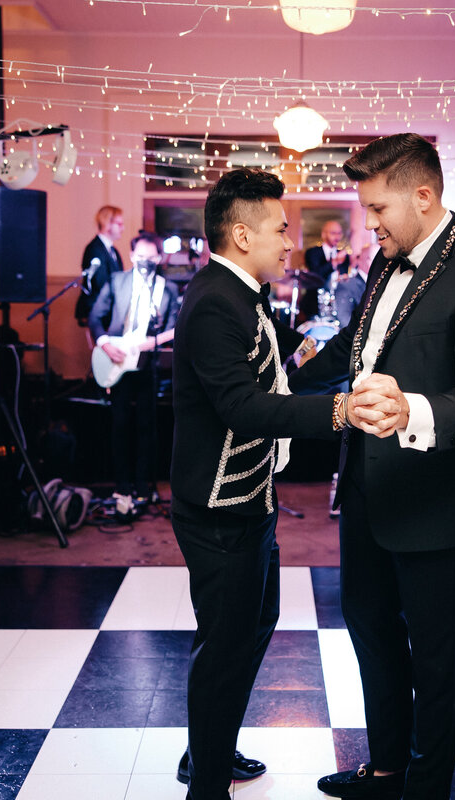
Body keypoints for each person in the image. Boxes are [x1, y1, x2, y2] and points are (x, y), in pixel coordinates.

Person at [289, 134, 455, 800]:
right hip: (368, 487)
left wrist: (412, 410)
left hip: (439, 500)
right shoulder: (383, 265)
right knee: (369, 630)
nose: (370, 225)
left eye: (378, 209)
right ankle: (387, 768)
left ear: (423, 196)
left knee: (435, 653)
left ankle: (427, 789)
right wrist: (280, 377)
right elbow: (355, 345)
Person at [169, 167, 388, 800]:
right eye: (280, 228)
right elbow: (243, 406)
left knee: (253, 625)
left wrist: (368, 334)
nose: (290, 239)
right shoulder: (214, 301)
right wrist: (342, 412)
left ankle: (208, 744)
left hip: (250, 497)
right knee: (224, 644)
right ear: (241, 233)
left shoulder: (244, 293)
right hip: (218, 507)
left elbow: (293, 358)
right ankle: (204, 782)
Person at [88, 231, 179, 517]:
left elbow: (176, 326)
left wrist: (154, 341)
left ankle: (143, 487)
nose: (145, 262)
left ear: (159, 257)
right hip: (118, 360)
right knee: (119, 424)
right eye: (140, 256)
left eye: (151, 257)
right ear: (131, 256)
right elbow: (95, 317)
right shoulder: (117, 281)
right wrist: (104, 344)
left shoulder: (168, 288)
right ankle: (122, 486)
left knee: (147, 426)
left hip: (147, 364)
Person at [74, 204, 125, 328]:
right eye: (119, 224)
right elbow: (100, 283)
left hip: (108, 310)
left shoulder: (113, 250)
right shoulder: (95, 249)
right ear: (107, 223)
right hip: (97, 310)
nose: (122, 228)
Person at [304, 219, 351, 283]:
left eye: (339, 233)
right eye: (333, 233)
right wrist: (335, 261)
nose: (337, 237)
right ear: (324, 234)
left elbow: (344, 277)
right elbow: (315, 276)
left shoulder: (344, 255)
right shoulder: (312, 252)